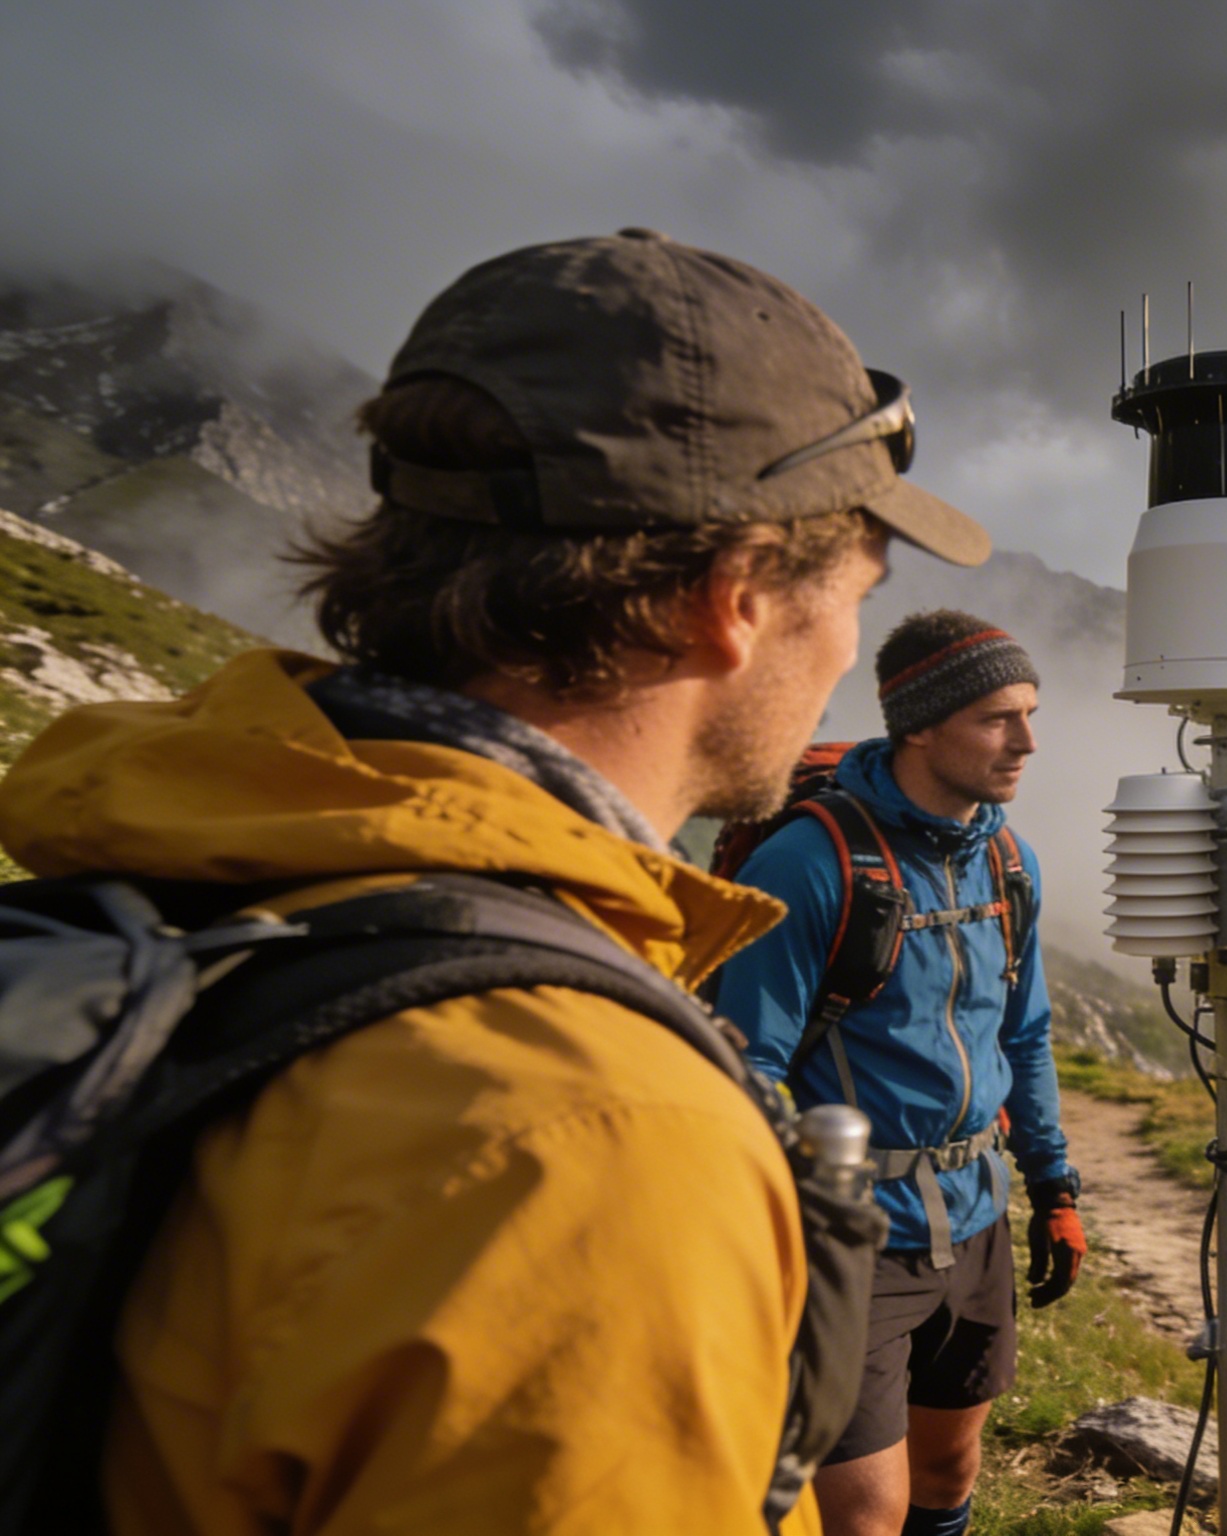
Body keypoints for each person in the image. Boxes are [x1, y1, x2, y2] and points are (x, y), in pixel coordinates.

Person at [0, 228, 992, 1532]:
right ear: (735, 595)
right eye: (856, 586)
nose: (847, 648)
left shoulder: (201, 871)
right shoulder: (588, 1143)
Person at [715, 610, 1081, 1536]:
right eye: (999, 718)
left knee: (951, 1471)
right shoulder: (809, 862)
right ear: (918, 724)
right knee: (866, 1518)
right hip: (857, 1239)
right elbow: (749, 1061)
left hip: (977, 1214)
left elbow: (1024, 1035)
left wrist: (1054, 1185)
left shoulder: (1006, 860)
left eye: (1031, 713)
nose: (1027, 742)